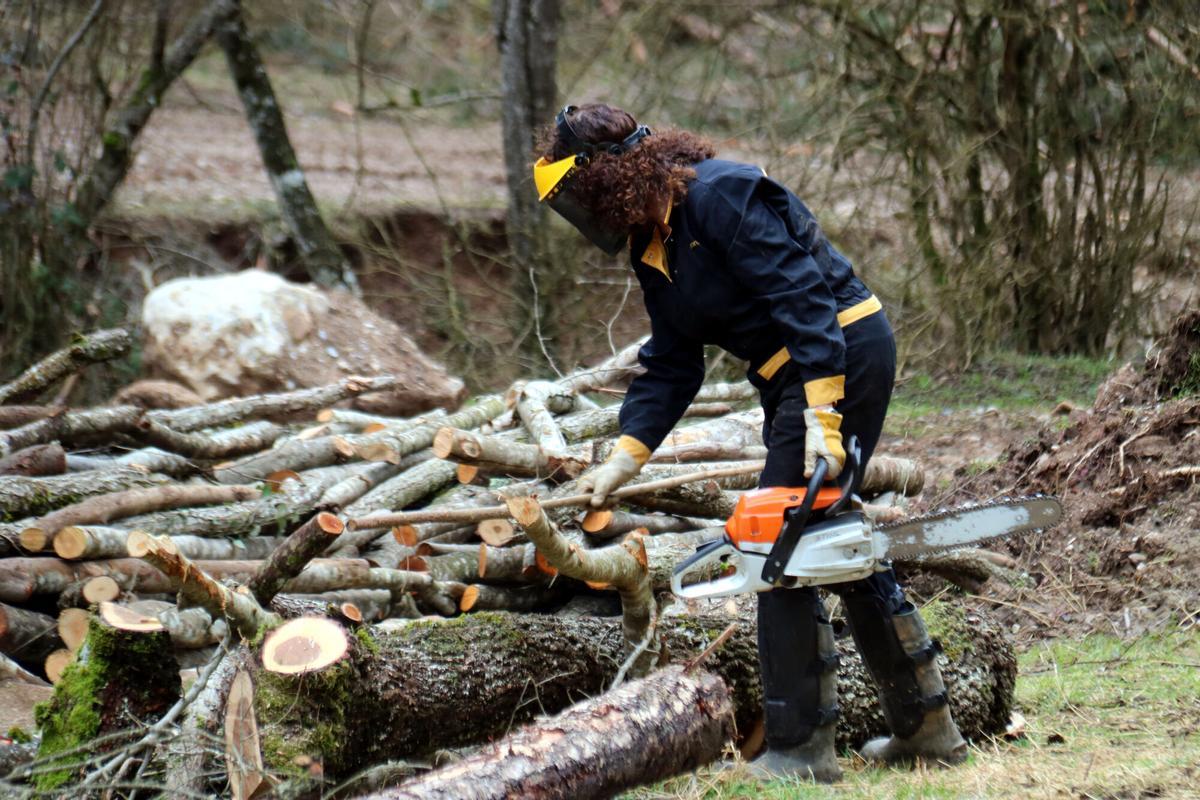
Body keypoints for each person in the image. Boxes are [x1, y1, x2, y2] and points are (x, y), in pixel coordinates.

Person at [533, 103, 969, 782]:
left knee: (778, 540)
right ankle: (927, 728)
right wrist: (623, 458)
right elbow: (673, 361)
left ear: (604, 179)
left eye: (573, 195)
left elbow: (804, 299)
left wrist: (824, 417)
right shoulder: (656, 245)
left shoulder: (717, 196)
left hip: (839, 352)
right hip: (793, 376)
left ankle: (799, 753)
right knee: (828, 543)